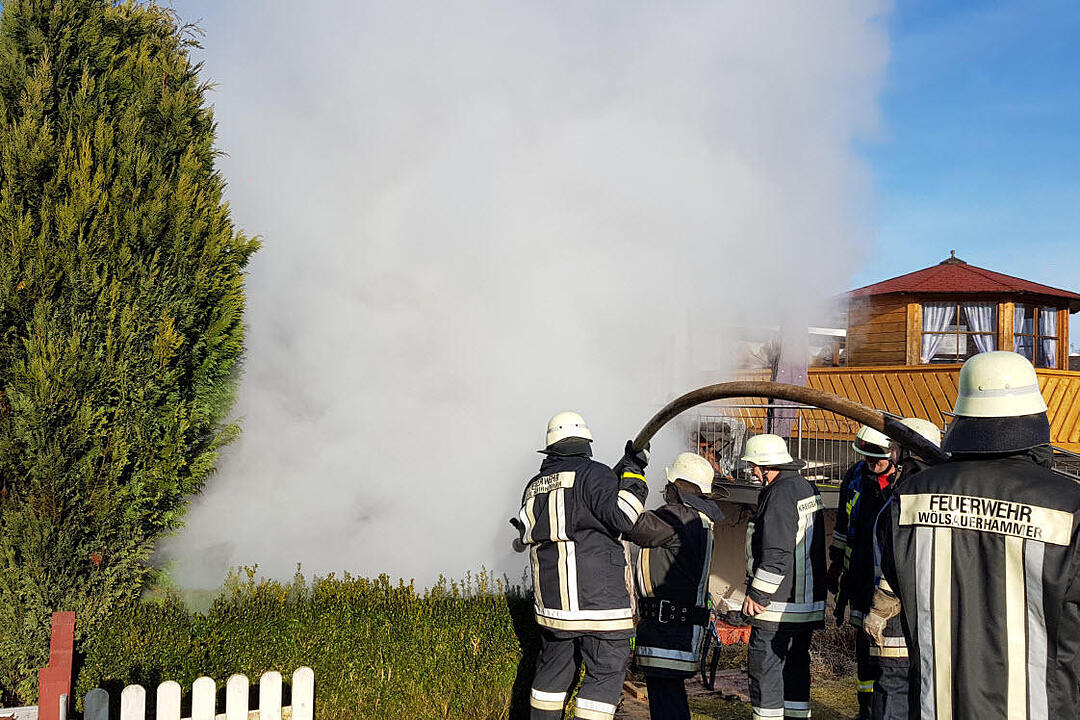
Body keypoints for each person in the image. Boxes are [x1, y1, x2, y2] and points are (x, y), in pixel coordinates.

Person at [878, 351, 1080, 719]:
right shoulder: (1069, 506)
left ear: (963, 419)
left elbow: (897, 575)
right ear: (1037, 420)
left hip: (935, 707)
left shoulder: (906, 500)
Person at [514, 412, 675, 720]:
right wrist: (635, 472)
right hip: (600, 605)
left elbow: (527, 531)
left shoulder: (534, 486)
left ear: (551, 449)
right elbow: (625, 516)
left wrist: (622, 468)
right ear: (585, 444)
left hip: (555, 608)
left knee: (551, 677)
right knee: (603, 676)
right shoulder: (595, 474)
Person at [633, 452, 724, 720]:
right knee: (670, 699)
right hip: (679, 629)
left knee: (667, 703)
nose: (664, 491)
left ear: (678, 487)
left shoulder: (677, 518)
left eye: (668, 485)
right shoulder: (699, 521)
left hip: (669, 630)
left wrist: (631, 481)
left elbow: (630, 524)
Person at [742, 433, 826, 720]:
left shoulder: (779, 495)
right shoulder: (805, 488)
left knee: (765, 670)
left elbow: (776, 554)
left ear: (767, 466)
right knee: (796, 670)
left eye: (754, 466)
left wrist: (757, 595)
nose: (752, 471)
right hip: (804, 604)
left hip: (776, 607)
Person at [865, 418, 941, 720]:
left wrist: (880, 609)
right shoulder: (937, 486)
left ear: (907, 452)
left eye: (895, 448)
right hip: (925, 613)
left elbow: (899, 557)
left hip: (898, 612)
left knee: (893, 686)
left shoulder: (909, 492)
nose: (890, 454)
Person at [828, 424, 897, 719]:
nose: (871, 464)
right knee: (864, 652)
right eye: (866, 458)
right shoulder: (855, 476)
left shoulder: (905, 482)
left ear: (893, 453)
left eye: (876, 459)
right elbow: (843, 525)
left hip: (891, 585)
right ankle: (865, 710)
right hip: (858, 578)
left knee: (891, 655)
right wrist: (835, 564)